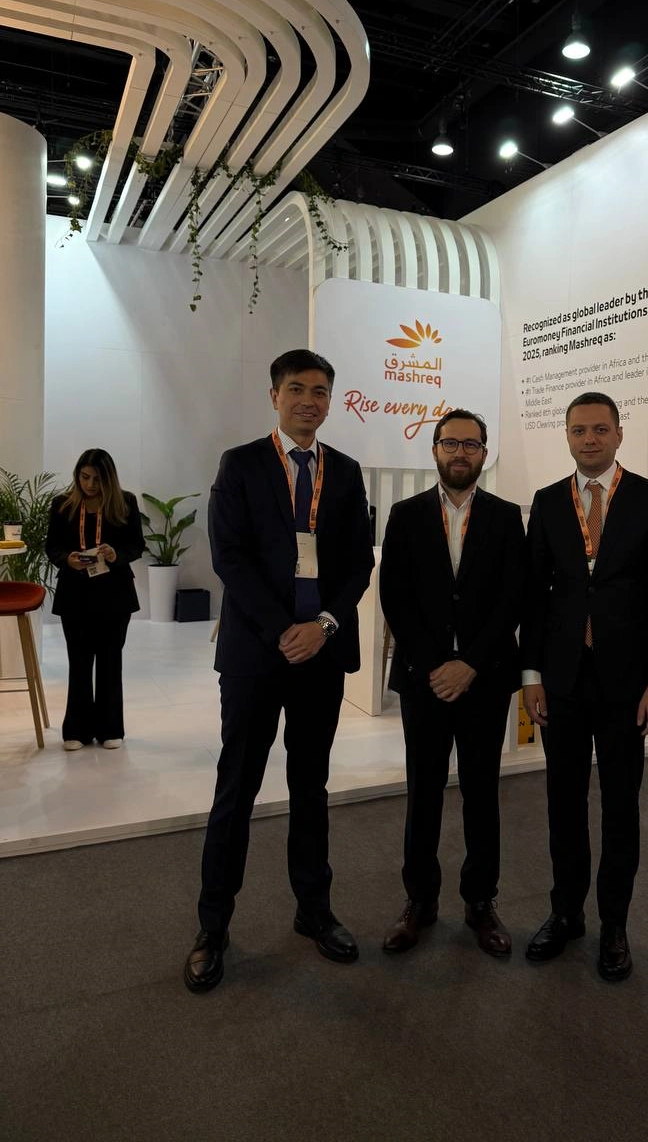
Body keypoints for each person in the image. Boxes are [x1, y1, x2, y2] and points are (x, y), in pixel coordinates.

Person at [184, 349, 374, 993]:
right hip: (256, 656)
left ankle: (313, 910)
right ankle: (213, 926)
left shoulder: (344, 471)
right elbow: (230, 557)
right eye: (297, 389)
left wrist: (322, 627)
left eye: (320, 391)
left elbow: (357, 563)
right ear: (274, 396)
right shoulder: (240, 464)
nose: (309, 401)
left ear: (330, 400)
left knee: (310, 786)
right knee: (236, 787)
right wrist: (281, 630)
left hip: (321, 654)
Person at [521, 392, 648, 982]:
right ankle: (565, 914)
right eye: (579, 430)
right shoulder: (547, 501)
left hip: (626, 684)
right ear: (566, 436)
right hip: (561, 681)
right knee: (562, 804)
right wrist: (531, 675)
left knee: (620, 806)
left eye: (599, 429)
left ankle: (615, 924)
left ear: (618, 434)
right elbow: (533, 596)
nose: (589, 439)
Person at [379, 409, 524, 959]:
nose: (460, 452)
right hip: (424, 679)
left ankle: (481, 901)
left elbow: (514, 597)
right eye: (450, 443)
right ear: (434, 449)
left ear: (485, 453)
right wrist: (435, 664)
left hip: (485, 680)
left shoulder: (506, 517)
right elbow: (395, 594)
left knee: (483, 793)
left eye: (471, 444)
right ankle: (419, 901)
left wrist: (471, 664)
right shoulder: (406, 515)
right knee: (423, 792)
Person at [45, 449, 145, 751]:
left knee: (110, 661)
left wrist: (116, 554)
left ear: (108, 479)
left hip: (115, 594)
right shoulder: (62, 505)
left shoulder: (125, 503)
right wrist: (67, 559)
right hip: (75, 594)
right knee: (79, 662)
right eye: (85, 477)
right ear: (77, 475)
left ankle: (110, 729)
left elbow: (136, 545)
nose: (89, 484)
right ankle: (76, 731)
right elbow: (52, 547)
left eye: (97, 479)